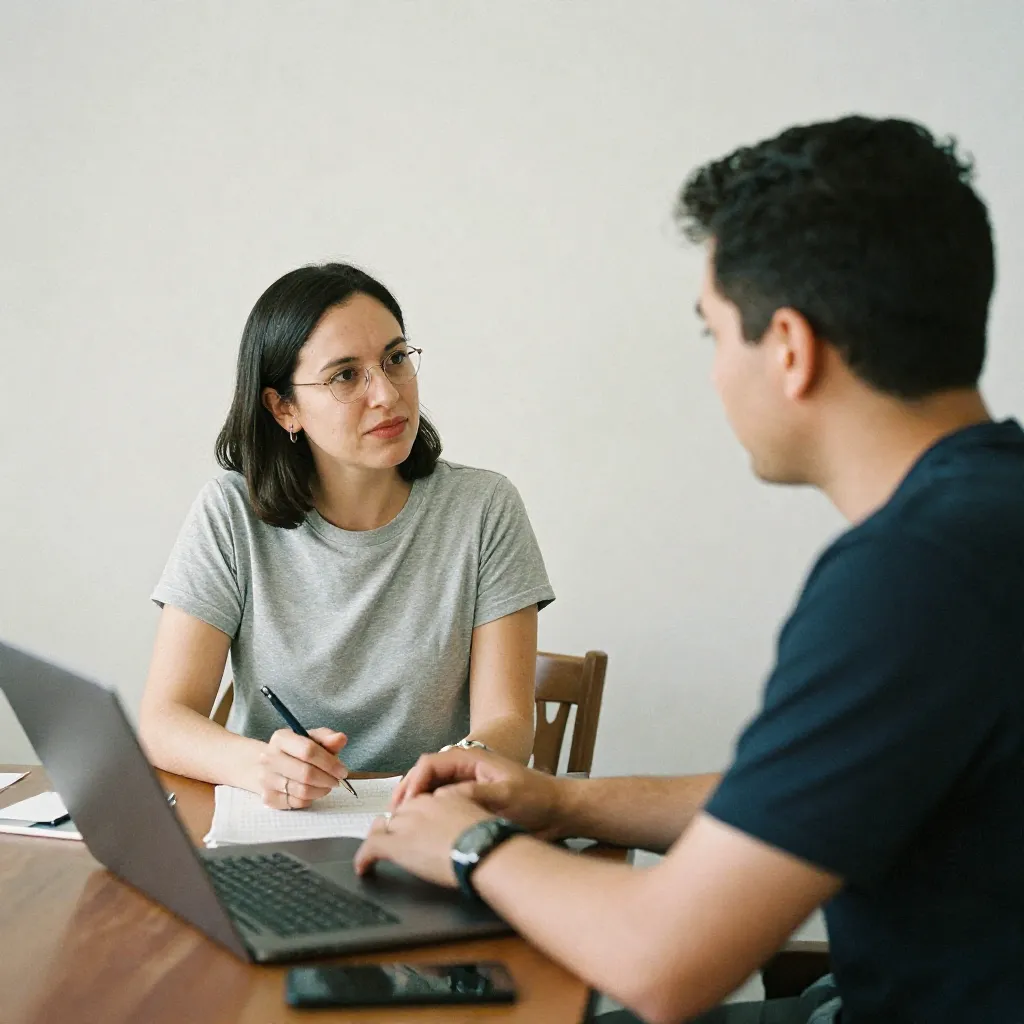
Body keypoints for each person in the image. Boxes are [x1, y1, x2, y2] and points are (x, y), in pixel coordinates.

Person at [353, 116, 1024, 1023]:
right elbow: (800, 801)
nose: (713, 375)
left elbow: (665, 964)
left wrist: (473, 847)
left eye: (714, 334)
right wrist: (558, 802)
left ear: (790, 347)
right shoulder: (988, 518)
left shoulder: (911, 576)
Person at [139, 263, 554, 810]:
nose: (387, 394)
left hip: (425, 818)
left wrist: (450, 773)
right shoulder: (230, 512)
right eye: (345, 375)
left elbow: (508, 722)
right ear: (284, 406)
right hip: (275, 820)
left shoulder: (484, 508)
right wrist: (262, 766)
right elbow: (163, 721)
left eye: (396, 359)